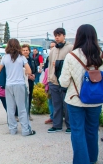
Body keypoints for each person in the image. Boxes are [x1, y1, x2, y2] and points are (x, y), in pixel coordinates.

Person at [59, 24, 103, 164]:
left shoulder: (71, 56)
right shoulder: (101, 55)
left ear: (78, 36)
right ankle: (92, 159)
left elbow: (64, 82)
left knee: (78, 131)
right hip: (96, 99)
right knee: (92, 130)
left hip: (75, 100)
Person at [0, 38, 35, 136]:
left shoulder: (5, 57)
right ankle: (26, 130)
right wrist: (22, 72)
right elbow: (29, 71)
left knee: (10, 108)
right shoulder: (21, 57)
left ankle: (12, 130)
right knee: (22, 108)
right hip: (20, 84)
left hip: (9, 85)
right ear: (18, 46)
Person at [47, 28, 73, 134]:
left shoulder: (70, 48)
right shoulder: (53, 50)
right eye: (55, 35)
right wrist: (49, 79)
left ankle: (69, 125)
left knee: (67, 105)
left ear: (64, 36)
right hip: (53, 81)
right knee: (56, 104)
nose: (57, 37)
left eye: (59, 35)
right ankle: (57, 125)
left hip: (65, 82)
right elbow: (49, 66)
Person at [44, 41, 56, 124]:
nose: (52, 48)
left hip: (56, 83)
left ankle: (56, 118)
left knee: (56, 103)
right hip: (49, 83)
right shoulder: (49, 57)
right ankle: (52, 117)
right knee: (50, 102)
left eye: (53, 46)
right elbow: (45, 68)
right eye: (50, 47)